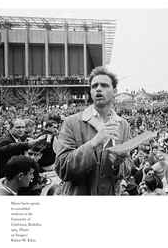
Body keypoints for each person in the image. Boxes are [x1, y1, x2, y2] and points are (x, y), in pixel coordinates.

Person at [55, 66, 130, 195]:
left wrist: (118, 165)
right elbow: (62, 168)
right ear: (91, 92)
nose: (98, 89)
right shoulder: (71, 122)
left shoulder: (123, 125)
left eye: (105, 85)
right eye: (94, 86)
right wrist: (94, 143)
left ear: (115, 91)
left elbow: (128, 169)